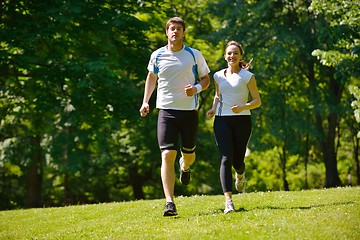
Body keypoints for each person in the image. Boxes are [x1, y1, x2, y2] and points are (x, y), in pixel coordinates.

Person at [139, 17, 211, 216]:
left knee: (188, 155)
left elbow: (206, 79)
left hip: (188, 112)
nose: (175, 32)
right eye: (172, 29)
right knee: (167, 154)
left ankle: (185, 167)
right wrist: (146, 101)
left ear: (183, 33)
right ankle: (169, 202)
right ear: (167, 32)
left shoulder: (194, 55)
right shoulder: (158, 55)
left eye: (179, 29)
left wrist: (196, 88)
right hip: (166, 111)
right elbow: (151, 77)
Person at [206, 40, 261, 214]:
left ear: (240, 56)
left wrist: (243, 107)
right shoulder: (217, 76)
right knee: (225, 157)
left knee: (238, 160)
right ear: (225, 56)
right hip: (222, 120)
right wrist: (213, 108)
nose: (232, 56)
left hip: (242, 121)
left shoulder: (247, 76)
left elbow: (257, 101)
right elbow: (217, 95)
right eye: (229, 53)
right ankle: (228, 201)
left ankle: (240, 175)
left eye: (235, 53)